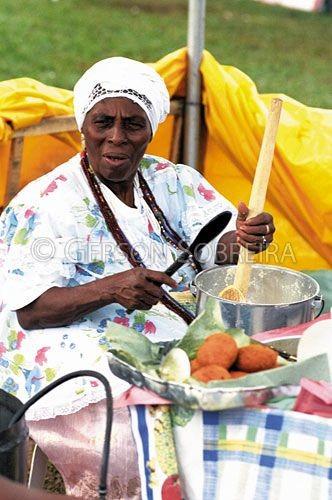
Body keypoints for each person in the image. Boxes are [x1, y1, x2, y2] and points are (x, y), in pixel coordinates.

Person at [0, 57, 275, 497]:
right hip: (67, 335)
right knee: (130, 417)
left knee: (234, 382)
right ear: (83, 125)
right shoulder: (46, 203)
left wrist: (243, 239)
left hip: (160, 324)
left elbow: (218, 245)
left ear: (151, 130)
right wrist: (111, 287)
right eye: (102, 122)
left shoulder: (171, 180)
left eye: (133, 125)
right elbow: (32, 312)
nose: (116, 137)